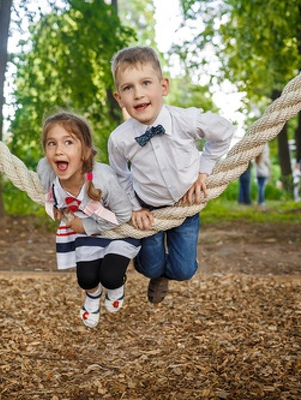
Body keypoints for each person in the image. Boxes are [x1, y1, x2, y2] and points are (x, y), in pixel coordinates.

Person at [107, 46, 235, 304]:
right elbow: (119, 175)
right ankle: (149, 265)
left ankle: (166, 273)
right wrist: (133, 208)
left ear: (163, 86)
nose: (139, 93)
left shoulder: (184, 120)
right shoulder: (119, 139)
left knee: (185, 270)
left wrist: (204, 170)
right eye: (128, 88)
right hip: (149, 210)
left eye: (145, 83)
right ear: (119, 98)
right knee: (149, 267)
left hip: (185, 207)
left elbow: (224, 131)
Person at [37, 111, 141, 328]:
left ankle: (116, 287)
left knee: (110, 276)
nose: (59, 151)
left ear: (84, 152)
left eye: (68, 142)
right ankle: (93, 296)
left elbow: (123, 215)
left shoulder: (102, 179)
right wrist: (56, 204)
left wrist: (85, 225)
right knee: (86, 279)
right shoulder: (47, 171)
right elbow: (47, 184)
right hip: (90, 235)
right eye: (51, 144)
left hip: (119, 229)